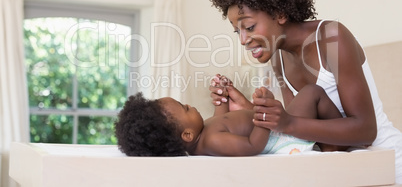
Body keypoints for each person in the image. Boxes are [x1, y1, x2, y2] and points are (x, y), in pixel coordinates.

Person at [209, 0, 402, 183]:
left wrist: (287, 122)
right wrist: (246, 108)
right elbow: (300, 131)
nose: (243, 40)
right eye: (237, 31)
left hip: (387, 164)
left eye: (249, 27)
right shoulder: (278, 58)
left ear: (280, 13)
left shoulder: (332, 38)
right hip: (342, 167)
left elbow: (366, 130)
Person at [115, 79, 345, 156]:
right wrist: (263, 114)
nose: (190, 104)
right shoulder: (212, 142)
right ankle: (341, 140)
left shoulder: (204, 133)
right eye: (185, 108)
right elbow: (252, 145)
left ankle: (331, 142)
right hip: (284, 137)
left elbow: (221, 120)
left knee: (309, 94)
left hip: (279, 128)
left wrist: (222, 98)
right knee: (312, 93)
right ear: (187, 135)